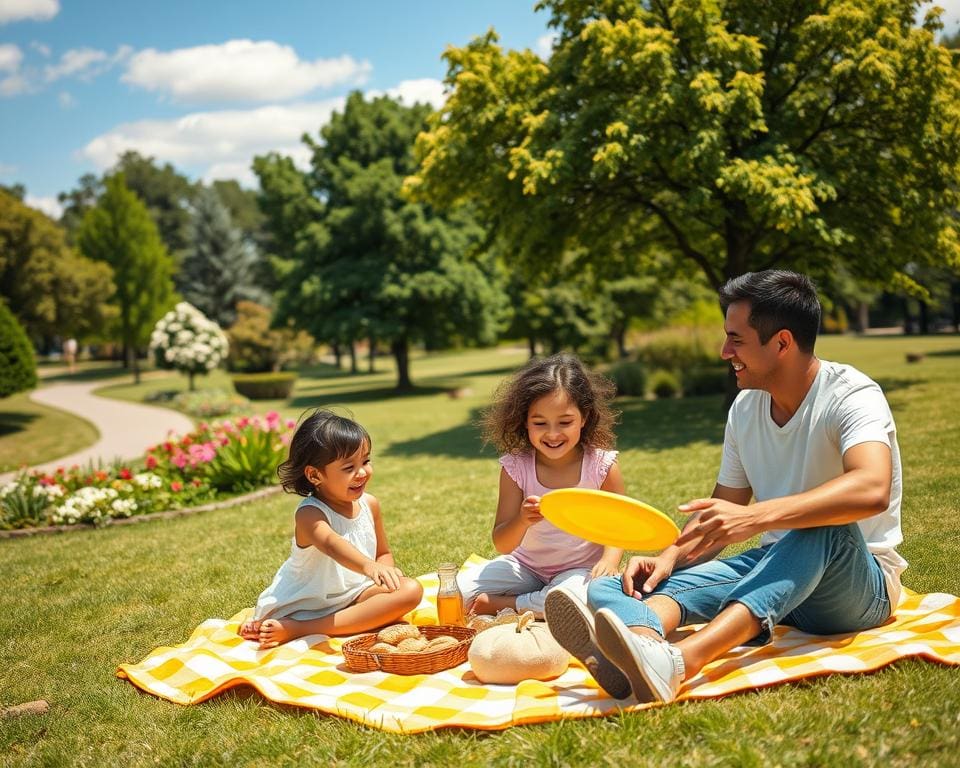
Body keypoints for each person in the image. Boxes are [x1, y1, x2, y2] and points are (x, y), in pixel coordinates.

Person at [546, 269, 906, 704]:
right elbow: (725, 506)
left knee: (820, 526)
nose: (723, 351)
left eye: (736, 339)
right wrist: (669, 558)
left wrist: (756, 517)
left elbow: (871, 488)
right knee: (612, 586)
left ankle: (680, 663)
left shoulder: (852, 395)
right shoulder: (746, 407)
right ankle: (640, 648)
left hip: (857, 587)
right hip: (783, 575)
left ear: (782, 343)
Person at [458, 353, 631, 697]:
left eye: (564, 422)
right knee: (457, 591)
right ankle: (524, 600)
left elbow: (621, 523)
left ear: (585, 418)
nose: (552, 434)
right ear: (524, 422)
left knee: (572, 599)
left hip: (579, 568)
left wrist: (610, 560)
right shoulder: (516, 468)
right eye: (540, 423)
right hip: (526, 564)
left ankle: (506, 604)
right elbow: (503, 544)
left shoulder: (600, 465)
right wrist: (522, 519)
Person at [238, 409, 423, 649]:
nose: (363, 472)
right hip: (305, 605)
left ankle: (348, 620)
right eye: (349, 468)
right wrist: (368, 566)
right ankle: (298, 628)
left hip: (353, 597)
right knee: (390, 608)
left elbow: (382, 553)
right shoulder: (310, 514)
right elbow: (331, 544)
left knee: (410, 590)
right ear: (315, 475)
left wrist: (385, 575)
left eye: (365, 461)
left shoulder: (370, 504)